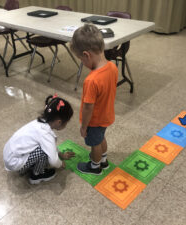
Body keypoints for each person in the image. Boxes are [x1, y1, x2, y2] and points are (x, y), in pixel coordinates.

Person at [70, 24, 118, 175]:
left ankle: (95, 166)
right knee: (101, 138)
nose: (82, 63)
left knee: (95, 144)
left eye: (81, 59)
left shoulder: (91, 81)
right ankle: (103, 161)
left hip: (95, 120)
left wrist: (84, 127)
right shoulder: (112, 67)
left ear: (87, 55)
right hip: (106, 116)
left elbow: (88, 108)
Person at [3, 94, 75, 184]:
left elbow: (51, 146)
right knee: (44, 152)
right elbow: (53, 160)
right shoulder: (46, 134)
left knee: (45, 148)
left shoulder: (39, 123)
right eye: (66, 122)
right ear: (59, 122)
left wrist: (61, 154)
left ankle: (30, 165)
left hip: (10, 155)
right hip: (14, 162)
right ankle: (37, 175)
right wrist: (60, 164)